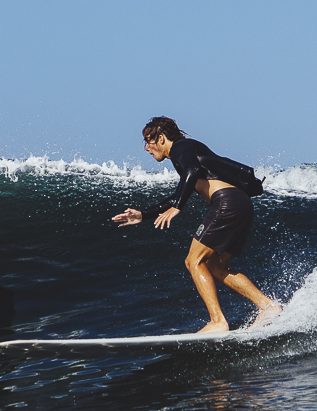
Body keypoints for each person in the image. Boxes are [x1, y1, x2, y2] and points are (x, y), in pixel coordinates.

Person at [113, 116, 282, 333]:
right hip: (241, 204)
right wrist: (143, 215)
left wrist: (178, 208)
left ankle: (218, 321)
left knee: (193, 261)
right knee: (215, 266)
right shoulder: (187, 152)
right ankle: (268, 307)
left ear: (161, 138)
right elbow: (179, 192)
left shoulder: (180, 148)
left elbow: (190, 173)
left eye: (148, 141)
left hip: (226, 203)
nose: (146, 148)